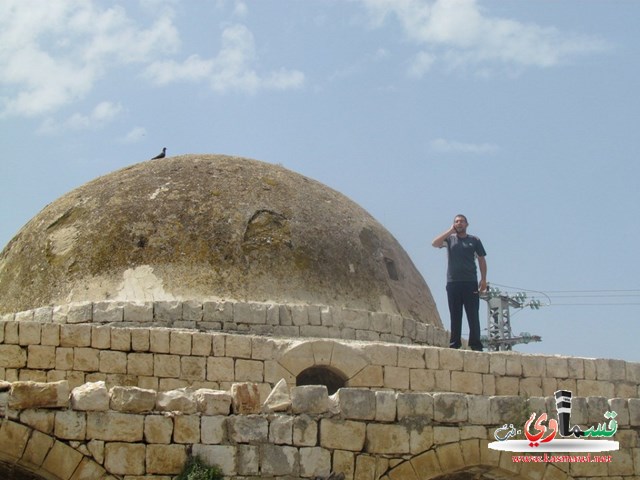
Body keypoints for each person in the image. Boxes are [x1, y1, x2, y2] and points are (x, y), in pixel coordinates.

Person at [432, 214, 487, 351]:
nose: (459, 223)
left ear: (467, 224)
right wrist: (450, 231)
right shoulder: (450, 240)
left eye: (462, 221)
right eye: (456, 221)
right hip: (453, 282)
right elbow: (435, 243)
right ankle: (454, 344)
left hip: (470, 282)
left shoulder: (474, 240)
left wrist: (484, 279)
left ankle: (475, 344)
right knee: (455, 314)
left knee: (473, 314)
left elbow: (481, 259)